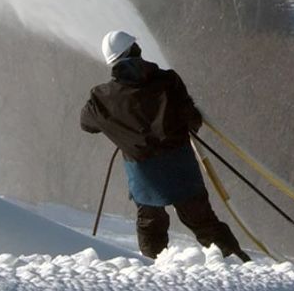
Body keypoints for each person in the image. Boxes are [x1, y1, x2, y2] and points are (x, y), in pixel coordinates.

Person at [81, 30, 250, 262]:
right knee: (204, 224)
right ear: (135, 50)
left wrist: (122, 127)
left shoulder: (102, 97)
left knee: (150, 227)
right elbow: (193, 120)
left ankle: (154, 276)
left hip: (144, 179)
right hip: (181, 171)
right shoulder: (168, 80)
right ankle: (239, 265)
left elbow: (86, 124)